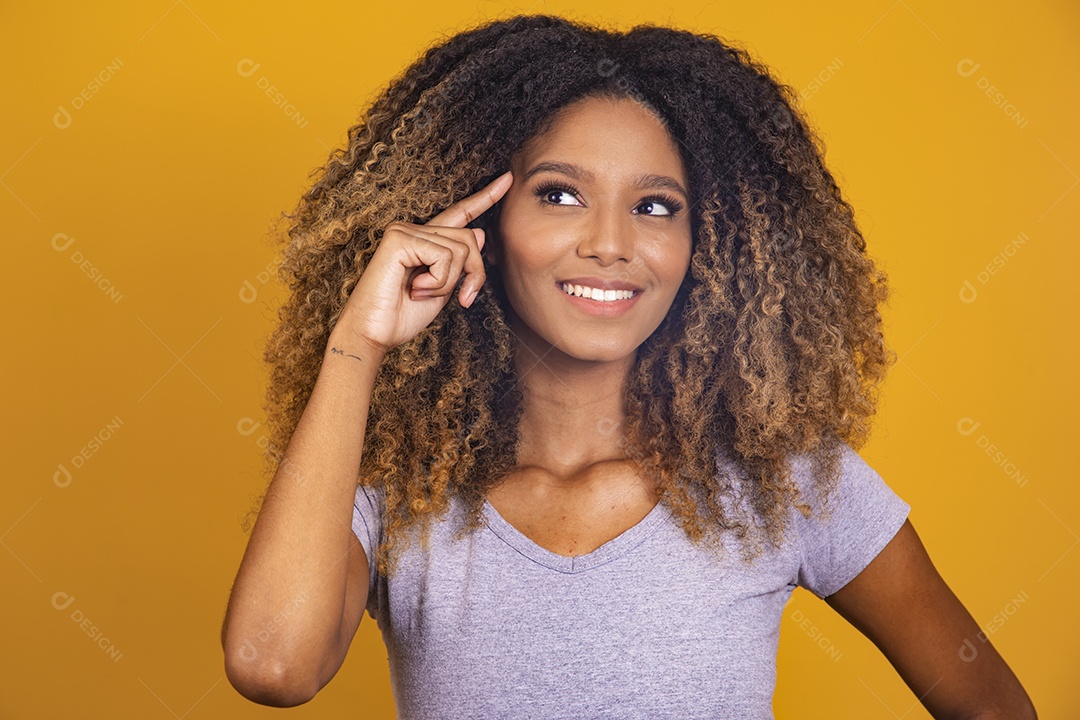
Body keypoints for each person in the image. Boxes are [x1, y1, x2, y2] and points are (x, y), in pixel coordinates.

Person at [220, 13, 1037, 719]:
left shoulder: (783, 484)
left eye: (654, 207)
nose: (611, 244)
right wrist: (358, 344)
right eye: (559, 194)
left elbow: (992, 705)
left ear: (704, 245)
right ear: (481, 227)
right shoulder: (402, 494)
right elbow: (271, 665)